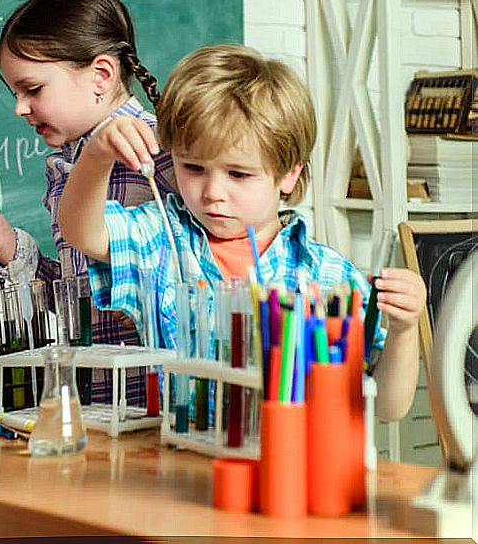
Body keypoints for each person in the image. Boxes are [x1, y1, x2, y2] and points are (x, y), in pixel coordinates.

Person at [57, 44, 426, 421]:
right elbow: (81, 231)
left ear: (288, 174)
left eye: (238, 174)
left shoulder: (327, 276)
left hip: (292, 468)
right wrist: (97, 155)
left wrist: (403, 329)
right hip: (183, 465)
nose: (213, 192)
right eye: (194, 168)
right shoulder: (161, 240)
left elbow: (387, 408)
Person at [0, 0, 172, 404]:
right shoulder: (68, 162)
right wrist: (9, 245)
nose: (18, 108)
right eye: (16, 92)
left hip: (150, 404)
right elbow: (83, 295)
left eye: (33, 89)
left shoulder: (160, 158)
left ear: (101, 75)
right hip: (98, 404)